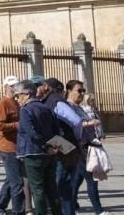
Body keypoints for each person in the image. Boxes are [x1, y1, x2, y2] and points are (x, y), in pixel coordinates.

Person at [16, 80, 62, 215]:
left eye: (18, 95)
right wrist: (54, 146)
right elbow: (56, 129)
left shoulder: (25, 110)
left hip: (34, 154)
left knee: (38, 190)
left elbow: (32, 133)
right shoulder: (46, 107)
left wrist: (45, 146)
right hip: (49, 154)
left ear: (27, 94)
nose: (17, 99)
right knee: (52, 189)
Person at [66, 81, 111, 215]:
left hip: (88, 146)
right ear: (69, 91)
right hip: (79, 147)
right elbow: (71, 125)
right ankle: (99, 211)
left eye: (83, 90)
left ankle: (72, 204)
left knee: (77, 179)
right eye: (79, 90)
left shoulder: (79, 107)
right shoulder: (68, 107)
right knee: (91, 179)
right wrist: (89, 123)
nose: (81, 93)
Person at [42, 78, 83, 215]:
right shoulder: (56, 101)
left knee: (62, 185)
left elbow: (76, 121)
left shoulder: (52, 101)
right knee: (63, 185)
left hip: (60, 143)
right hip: (62, 142)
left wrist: (75, 139)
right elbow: (75, 122)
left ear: (47, 87)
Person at [0, 76, 24, 215]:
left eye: (16, 85)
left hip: (18, 146)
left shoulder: (17, 103)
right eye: (12, 86)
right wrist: (17, 125)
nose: (14, 88)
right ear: (5, 87)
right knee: (17, 183)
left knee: (11, 180)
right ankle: (18, 211)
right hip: (8, 147)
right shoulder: (2, 103)